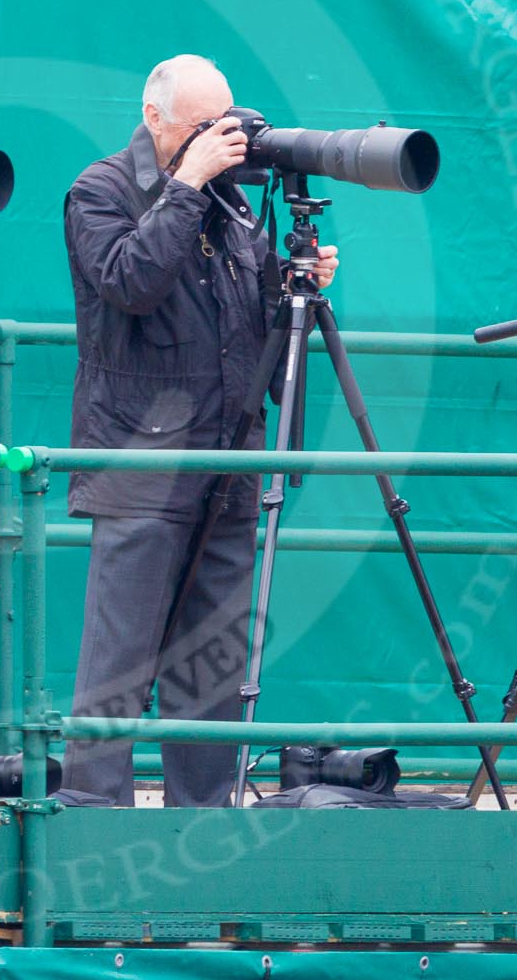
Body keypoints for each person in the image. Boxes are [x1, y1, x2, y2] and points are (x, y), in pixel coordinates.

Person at [59, 54, 340, 807]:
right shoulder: (100, 191)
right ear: (154, 118)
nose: (220, 141)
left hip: (228, 457)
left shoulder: (235, 204)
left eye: (226, 124)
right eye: (200, 128)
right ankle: (91, 826)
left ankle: (204, 826)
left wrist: (293, 285)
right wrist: (185, 187)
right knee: (117, 663)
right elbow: (130, 282)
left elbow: (245, 332)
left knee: (209, 667)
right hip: (140, 462)